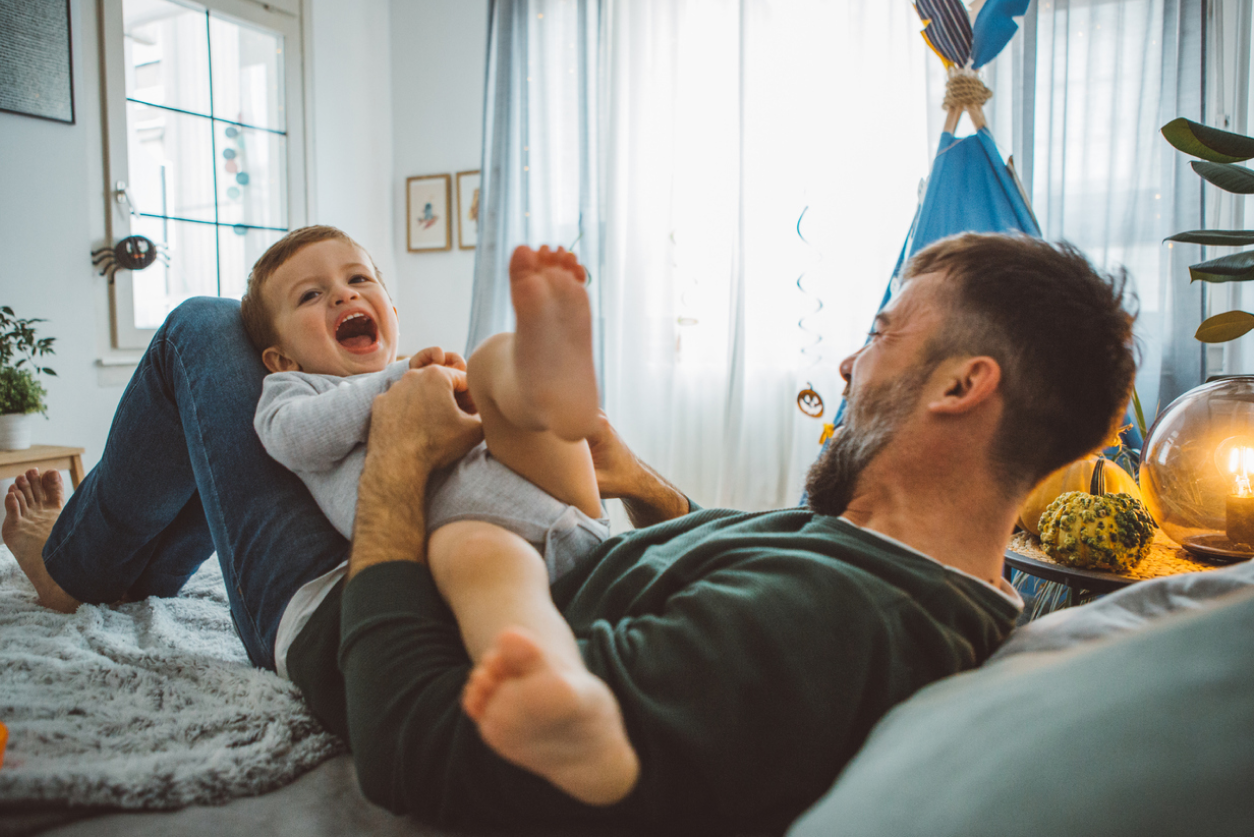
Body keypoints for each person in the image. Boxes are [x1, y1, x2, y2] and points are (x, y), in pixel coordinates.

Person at [2, 232, 1137, 834]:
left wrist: (396, 468)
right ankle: (106, 564)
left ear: (962, 386)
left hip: (341, 607)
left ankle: (73, 572)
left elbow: (418, 751)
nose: (849, 362)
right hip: (524, 536)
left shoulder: (838, 619)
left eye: (883, 333)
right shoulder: (877, 560)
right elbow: (741, 569)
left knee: (204, 330)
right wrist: (641, 480)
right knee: (430, 392)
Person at [244, 225, 635, 802]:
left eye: (358, 280)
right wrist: (400, 379)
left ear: (392, 312)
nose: (343, 296)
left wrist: (462, 391)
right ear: (280, 356)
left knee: (490, 362)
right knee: (479, 560)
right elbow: (297, 440)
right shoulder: (291, 392)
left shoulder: (418, 372)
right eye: (310, 295)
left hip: (554, 492)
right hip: (478, 536)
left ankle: (545, 378)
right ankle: (566, 703)